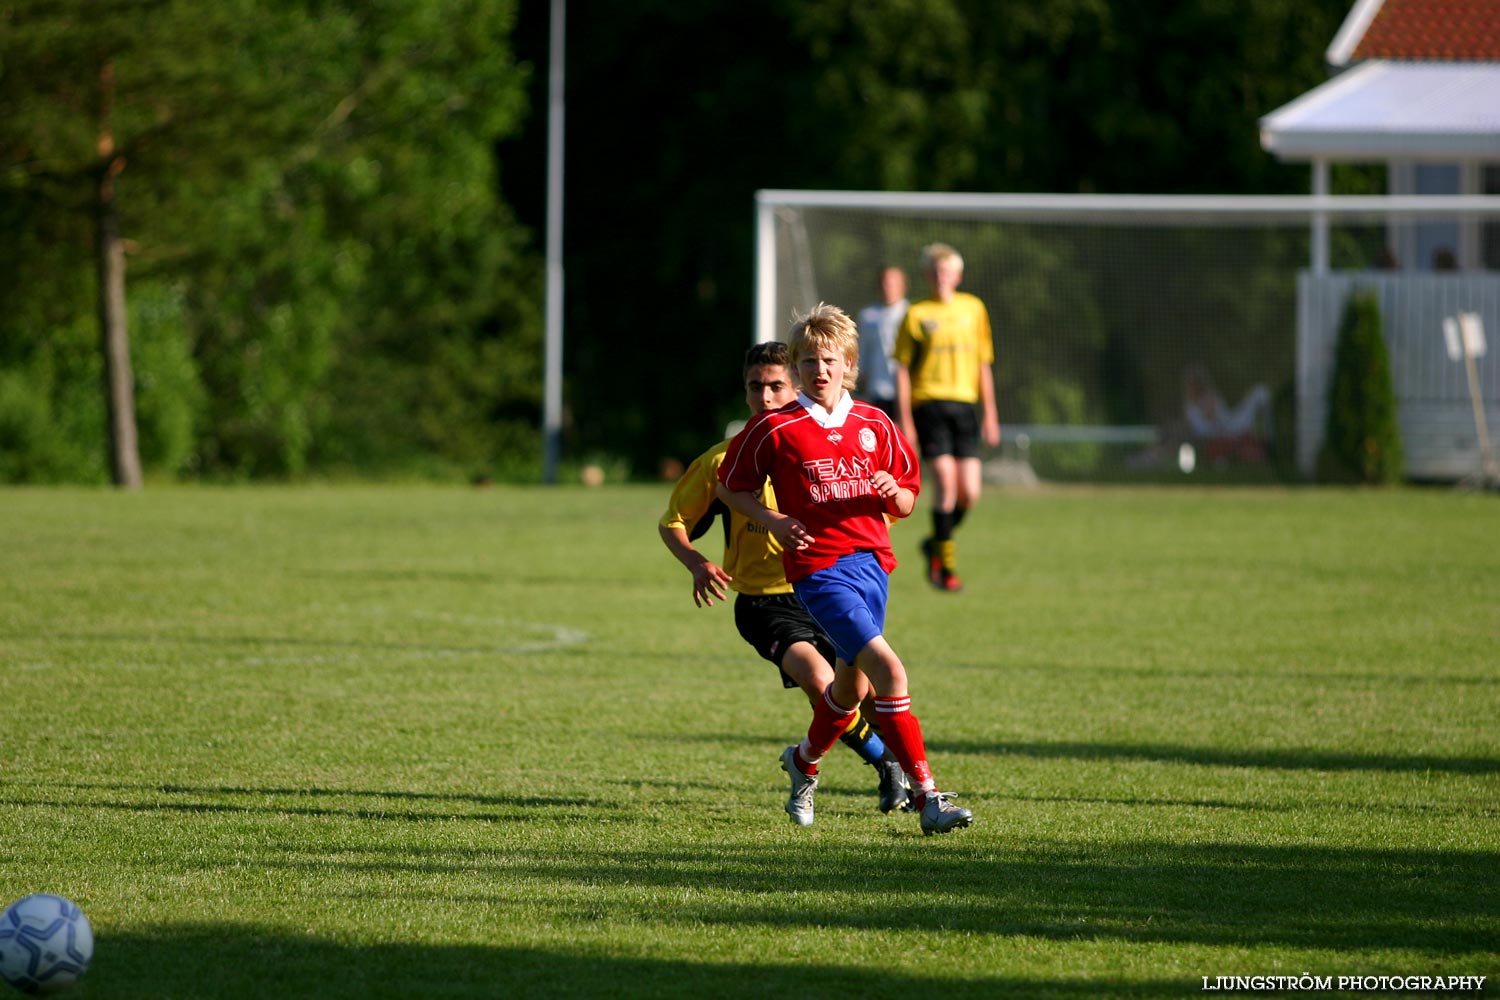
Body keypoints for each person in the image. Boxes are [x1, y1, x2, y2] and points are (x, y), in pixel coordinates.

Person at [718, 303, 973, 835]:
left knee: (849, 693)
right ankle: (928, 797)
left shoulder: (874, 422)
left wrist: (893, 491)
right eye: (808, 360)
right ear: (796, 369)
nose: (820, 370)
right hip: (818, 569)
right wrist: (776, 521)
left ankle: (804, 761)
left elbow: (905, 501)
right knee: (890, 671)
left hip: (873, 566)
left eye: (829, 359)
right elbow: (731, 487)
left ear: (849, 362)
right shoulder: (775, 427)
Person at [658, 340, 911, 814]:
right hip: (766, 604)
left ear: (796, 385)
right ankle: (887, 766)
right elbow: (672, 521)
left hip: (830, 584)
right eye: (756, 387)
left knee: (870, 693)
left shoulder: (819, 445)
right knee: (821, 679)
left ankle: (864, 766)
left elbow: (878, 516)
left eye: (777, 385)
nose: (766, 397)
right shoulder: (722, 460)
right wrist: (695, 562)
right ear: (745, 391)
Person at [894, 242, 1000, 593]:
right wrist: (906, 419)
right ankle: (946, 568)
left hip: (966, 407)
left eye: (948, 271)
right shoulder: (916, 314)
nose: (942, 277)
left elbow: (984, 364)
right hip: (930, 406)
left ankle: (936, 542)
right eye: (936, 272)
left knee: (969, 492)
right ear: (928, 276)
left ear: (958, 275)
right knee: (945, 482)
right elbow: (903, 370)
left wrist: (990, 415)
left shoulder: (974, 309)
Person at [1182, 364, 1270, 463]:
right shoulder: (1194, 404)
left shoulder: (1202, 399)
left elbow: (1215, 418)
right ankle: (1269, 436)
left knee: (1260, 391)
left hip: (1229, 424)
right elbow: (1210, 423)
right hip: (1230, 428)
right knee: (1259, 392)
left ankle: (1269, 434)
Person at [855, 265, 908, 417]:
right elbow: (862, 350)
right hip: (879, 389)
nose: (888, 287)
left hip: (909, 391)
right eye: (884, 283)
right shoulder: (868, 316)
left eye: (892, 283)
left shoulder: (911, 312)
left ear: (902, 286)